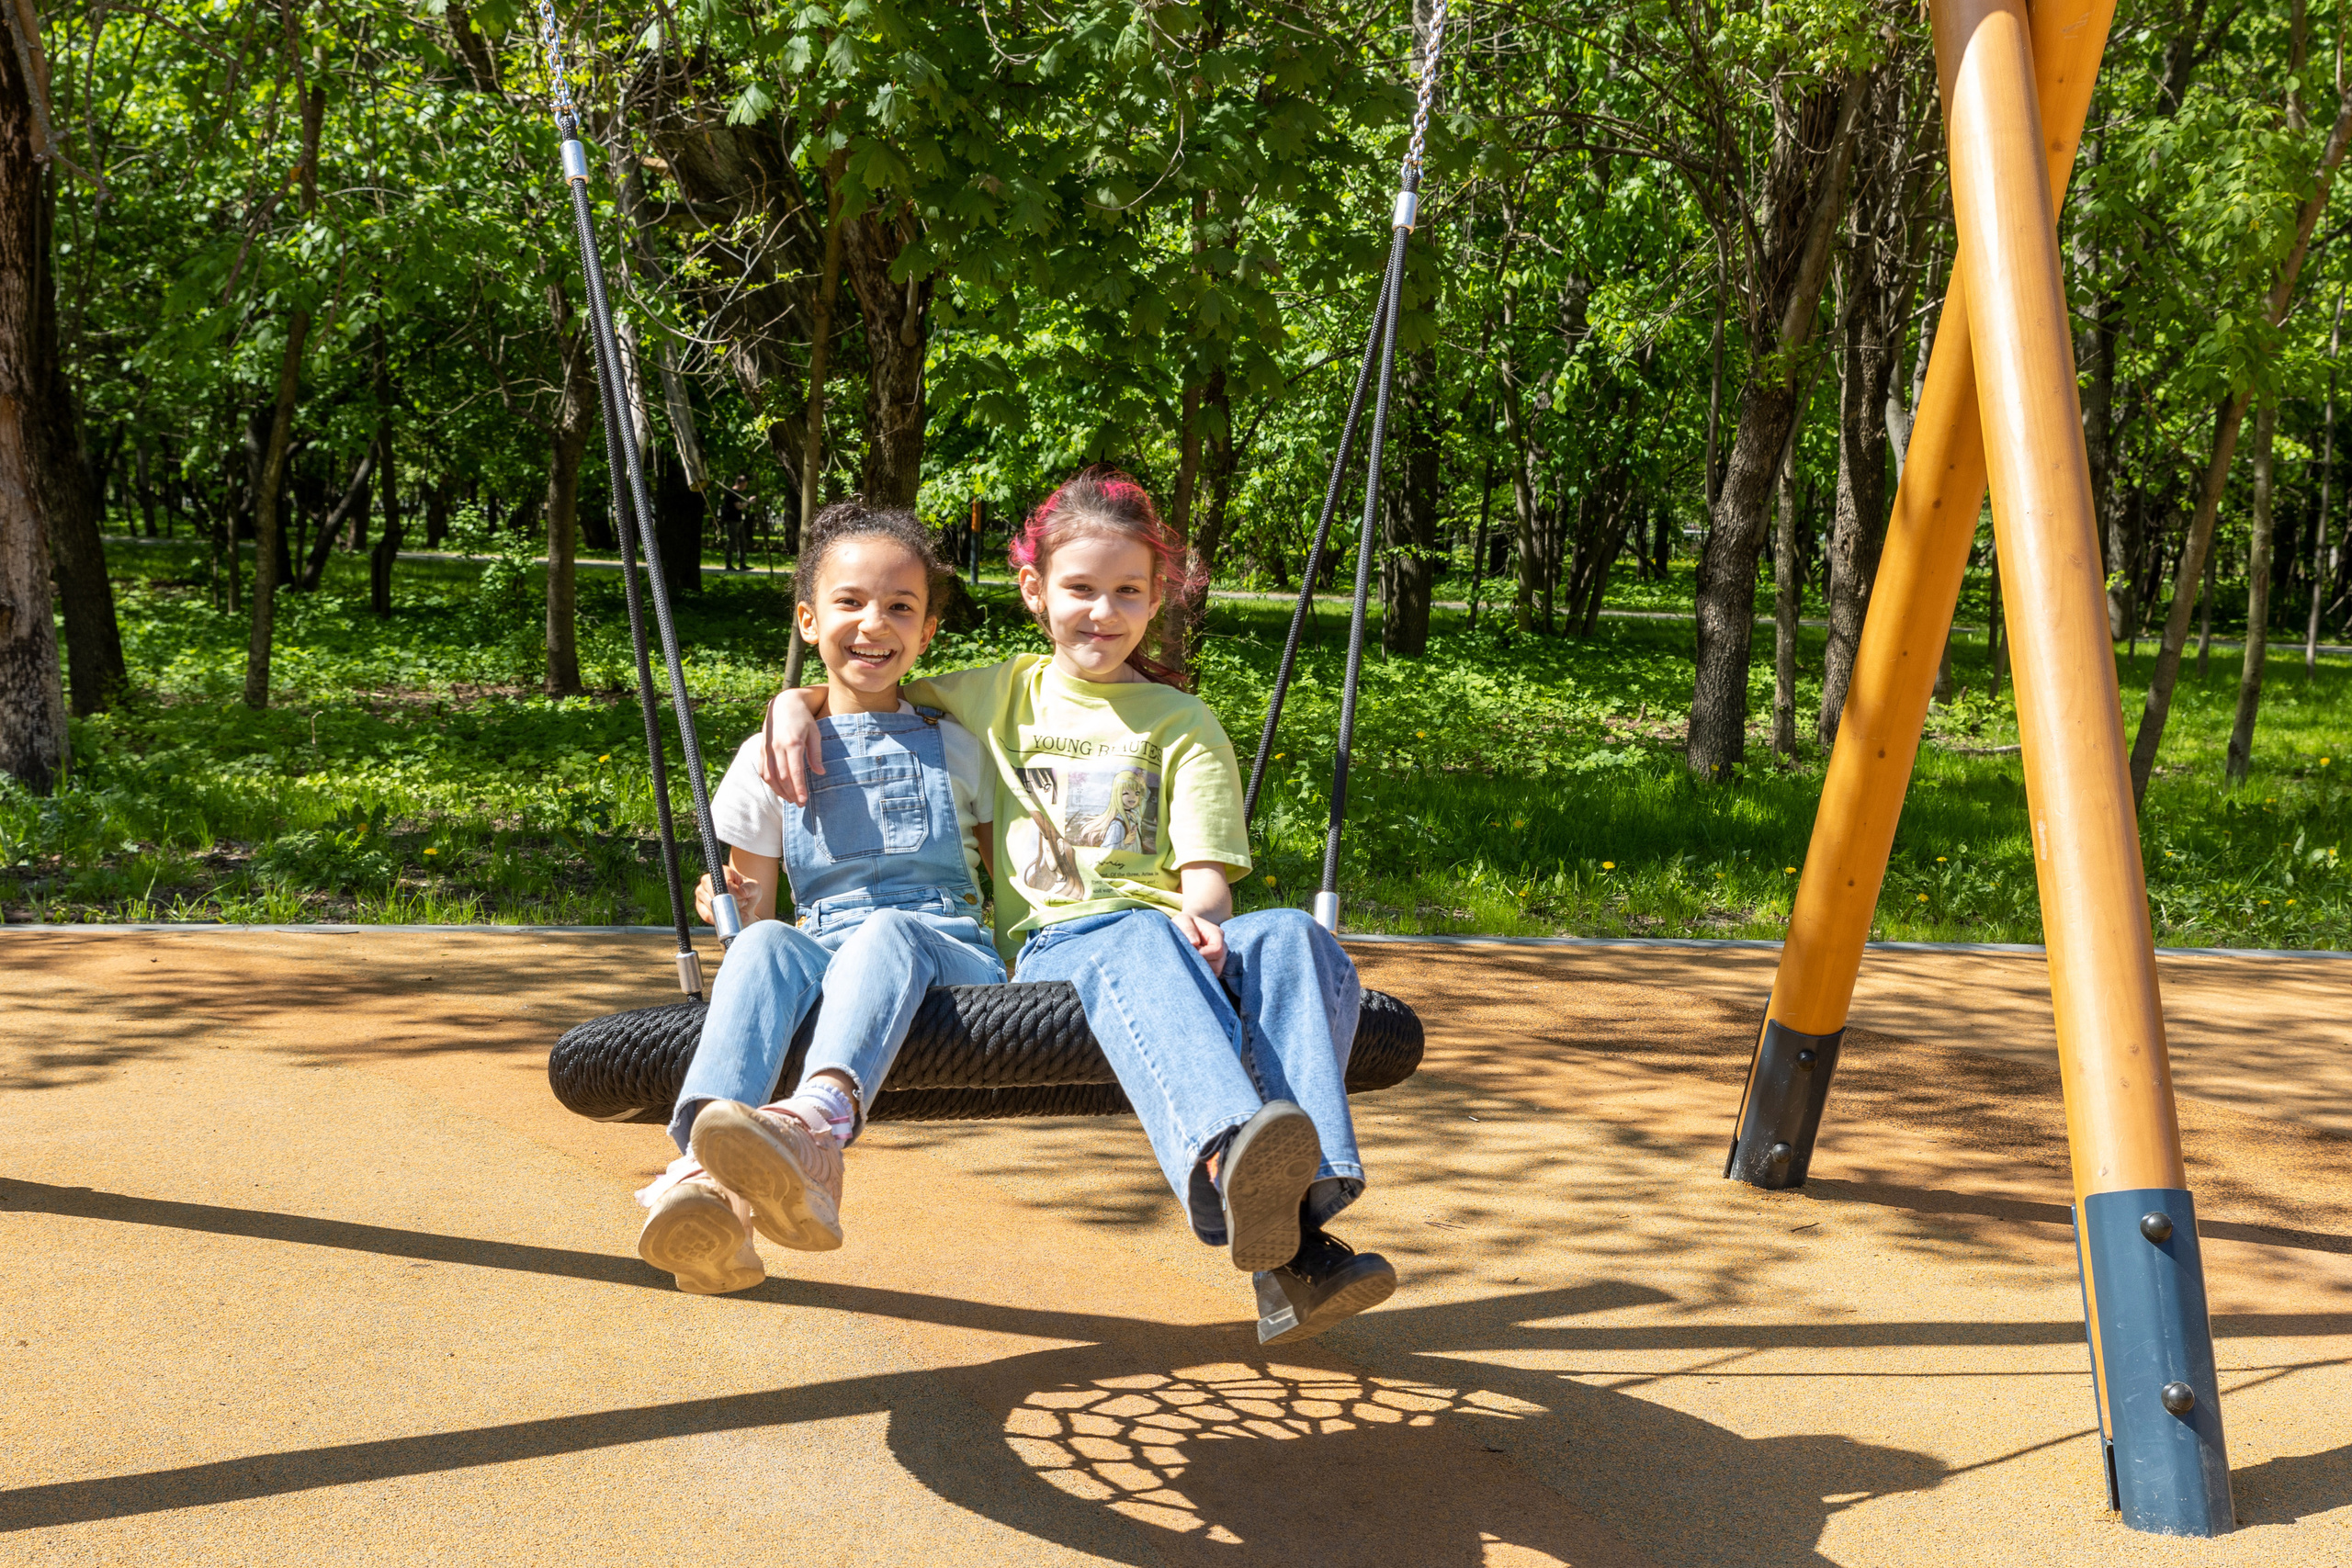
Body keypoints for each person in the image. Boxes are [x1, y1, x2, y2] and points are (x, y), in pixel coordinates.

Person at [759, 468, 1396, 1345]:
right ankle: (1225, 1158)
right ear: (1036, 592)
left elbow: (1206, 871)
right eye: (1080, 589)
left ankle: (1302, 1220)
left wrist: (1202, 916)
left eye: (1126, 591)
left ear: (1156, 596)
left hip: (1169, 930)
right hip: (1066, 945)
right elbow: (868, 679)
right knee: (1132, 932)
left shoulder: (1181, 720)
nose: (1102, 611)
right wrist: (791, 703)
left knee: (1289, 935)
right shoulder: (1000, 693)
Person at [634, 500, 1003, 1293]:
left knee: (886, 931)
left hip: (944, 947)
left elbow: (1005, 884)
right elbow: (759, 915)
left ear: (927, 631)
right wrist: (728, 898)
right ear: (808, 620)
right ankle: (711, 1188)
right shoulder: (762, 759)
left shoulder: (960, 746)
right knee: (767, 946)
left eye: (901, 607)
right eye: (851, 602)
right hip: (828, 943)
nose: (876, 622)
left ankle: (819, 1128)